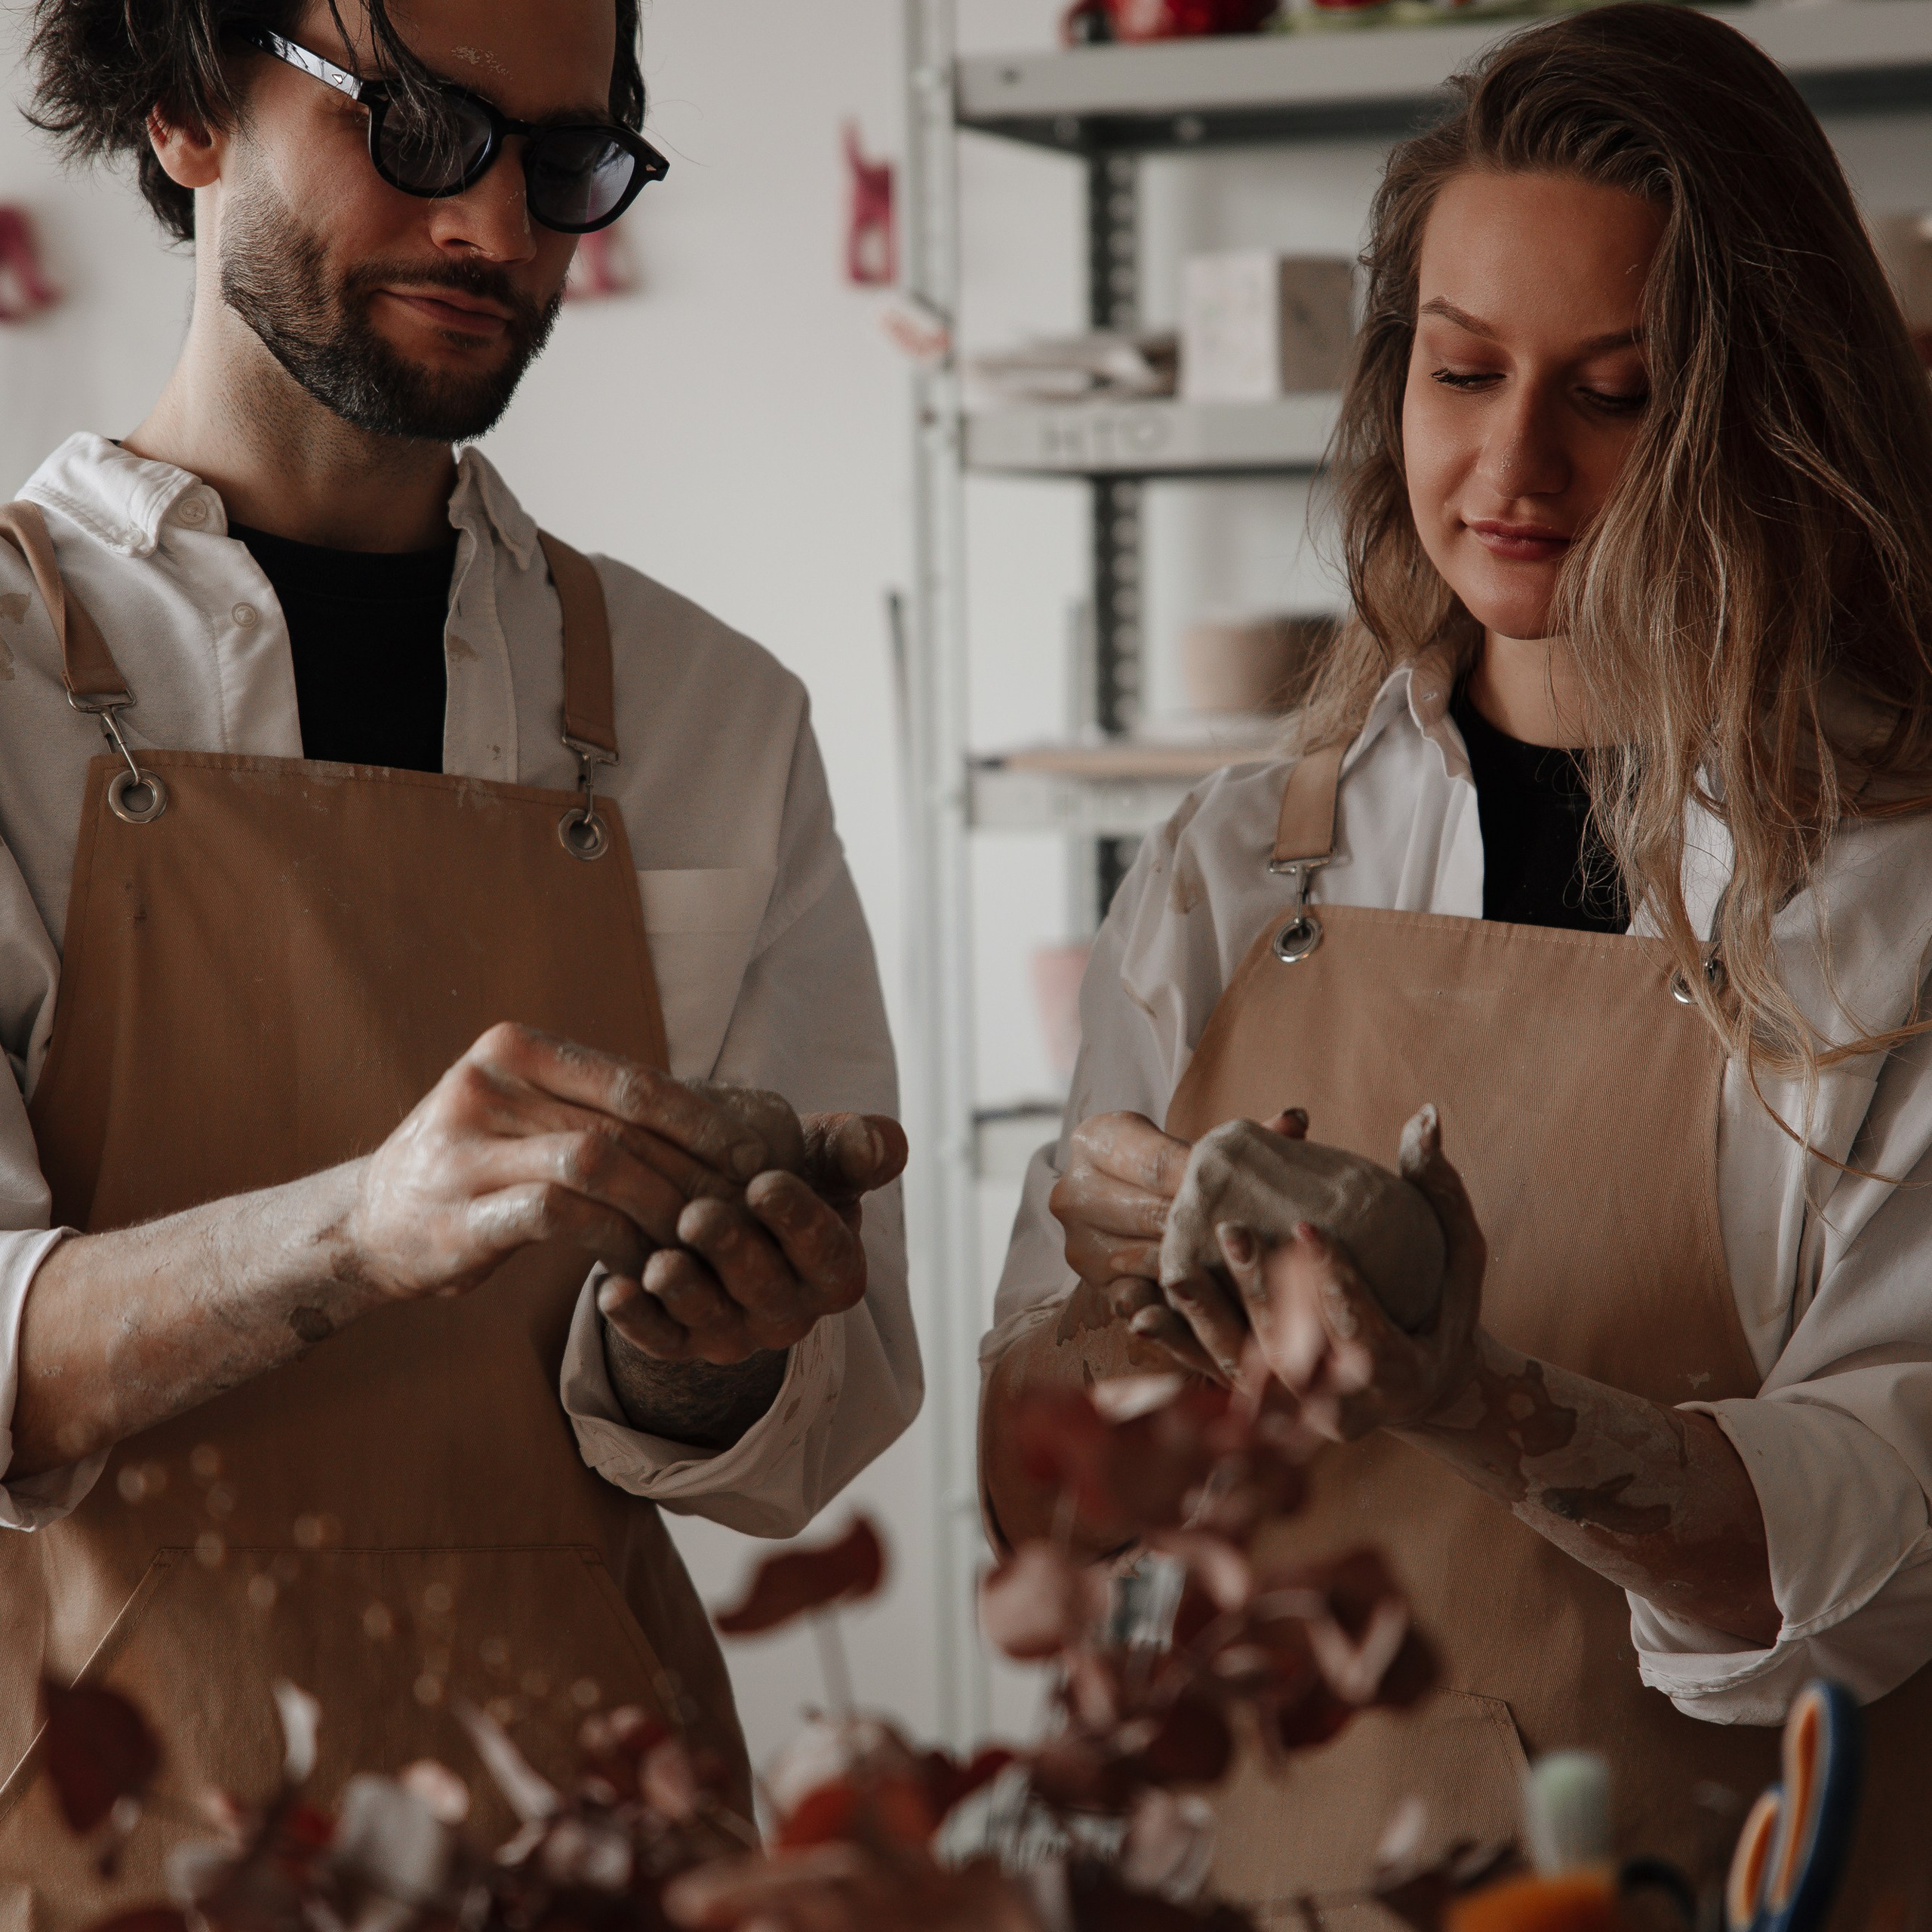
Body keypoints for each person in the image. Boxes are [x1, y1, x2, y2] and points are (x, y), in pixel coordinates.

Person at [983, 3, 1932, 1912]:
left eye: (1615, 390)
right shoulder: (1239, 861)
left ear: (1764, 411)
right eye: (1458, 368)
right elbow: (1042, 1505)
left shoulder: (1886, 895)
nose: (1511, 462)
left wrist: (1470, 1391)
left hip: (1714, 1865)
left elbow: (1876, 1544)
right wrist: (1118, 1351)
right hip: (1276, 1863)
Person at [0, 0, 919, 1915]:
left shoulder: (703, 713)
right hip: (97, 1835)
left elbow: (798, 1436)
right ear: (183, 106)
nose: (497, 227)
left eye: (563, 161)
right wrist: (361, 1222)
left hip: (591, 1829)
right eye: (417, 127)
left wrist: (701, 1356)